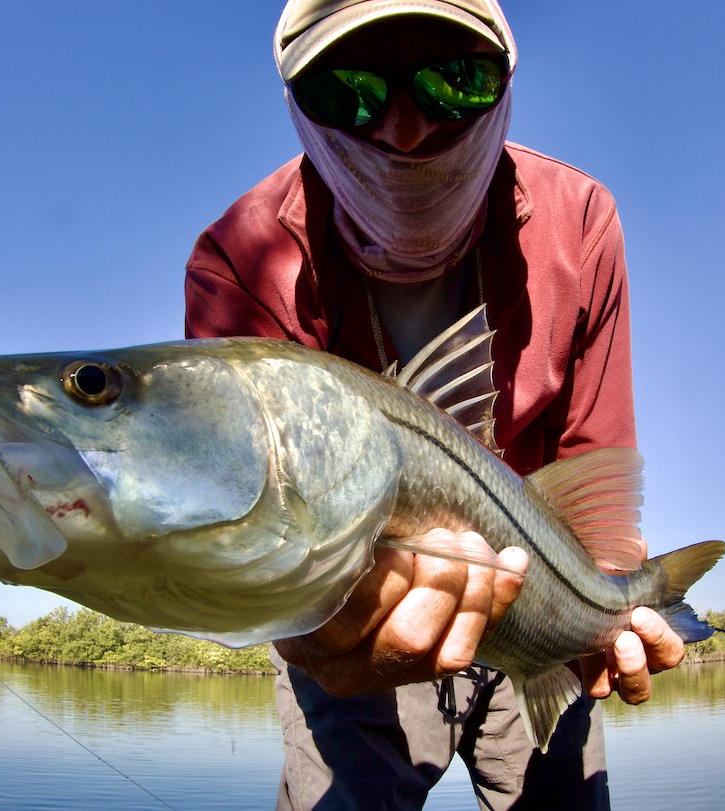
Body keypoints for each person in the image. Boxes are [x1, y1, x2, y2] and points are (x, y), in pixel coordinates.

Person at [184, 1, 686, 809]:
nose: (406, 131)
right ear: (294, 106)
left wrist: (612, 597)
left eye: (456, 82)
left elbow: (594, 458)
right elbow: (250, 533)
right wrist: (311, 628)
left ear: (507, 84)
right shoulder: (237, 263)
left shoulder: (582, 222)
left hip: (544, 604)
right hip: (356, 615)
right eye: (347, 92)